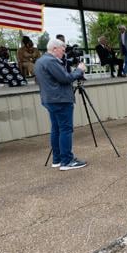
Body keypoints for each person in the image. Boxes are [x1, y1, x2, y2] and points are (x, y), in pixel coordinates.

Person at [34, 39, 87, 170]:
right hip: (60, 99)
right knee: (65, 129)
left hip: (50, 99)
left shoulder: (40, 61)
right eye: (62, 51)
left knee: (56, 129)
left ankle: (57, 159)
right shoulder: (51, 61)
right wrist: (79, 71)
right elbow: (65, 78)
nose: (64, 53)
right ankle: (67, 161)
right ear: (55, 49)